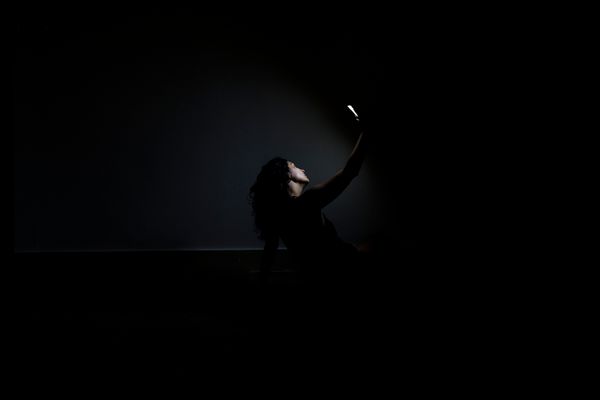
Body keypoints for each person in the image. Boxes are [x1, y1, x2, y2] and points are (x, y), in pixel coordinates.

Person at [248, 105, 373, 283]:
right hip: (344, 270)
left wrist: (261, 283)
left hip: (317, 276)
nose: (302, 169)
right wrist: (366, 132)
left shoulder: (279, 216)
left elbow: (269, 253)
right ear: (286, 176)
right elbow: (350, 172)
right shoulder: (307, 202)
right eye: (294, 165)